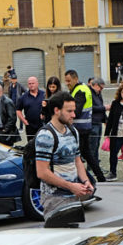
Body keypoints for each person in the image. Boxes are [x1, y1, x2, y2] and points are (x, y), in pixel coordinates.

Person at [36, 92, 93, 220]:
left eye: (74, 110)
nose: (74, 115)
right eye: (69, 111)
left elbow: (77, 160)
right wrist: (71, 186)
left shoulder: (73, 131)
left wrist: (85, 181)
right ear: (57, 110)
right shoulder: (46, 135)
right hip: (55, 198)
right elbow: (42, 172)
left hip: (73, 195)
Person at [66, 69, 106, 184]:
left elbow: (76, 112)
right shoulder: (82, 88)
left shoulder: (79, 91)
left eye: (69, 81)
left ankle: (86, 180)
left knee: (77, 157)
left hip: (80, 128)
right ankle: (100, 178)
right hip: (84, 127)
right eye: (66, 81)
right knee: (88, 155)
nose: (67, 83)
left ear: (75, 79)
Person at [16, 76, 47, 141]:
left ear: (37, 83)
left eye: (33, 83)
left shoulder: (44, 95)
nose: (31, 85)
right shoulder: (23, 97)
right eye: (29, 83)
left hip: (43, 125)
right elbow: (18, 110)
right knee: (31, 145)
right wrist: (24, 121)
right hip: (30, 126)